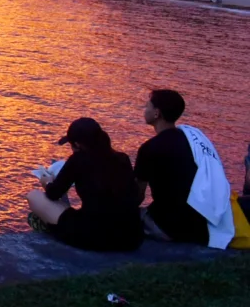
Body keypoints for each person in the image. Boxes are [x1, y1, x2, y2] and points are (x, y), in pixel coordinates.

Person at [27, 119, 143, 251]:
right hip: (131, 237)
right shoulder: (122, 158)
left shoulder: (78, 160)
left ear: (77, 144)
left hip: (96, 237)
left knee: (33, 196)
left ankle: (46, 225)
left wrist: (46, 182)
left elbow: (53, 194)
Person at [136, 90, 207, 245]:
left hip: (169, 227)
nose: (144, 110)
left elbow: (137, 196)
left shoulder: (149, 149)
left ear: (157, 113)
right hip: (199, 223)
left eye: (147, 106)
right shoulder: (193, 143)